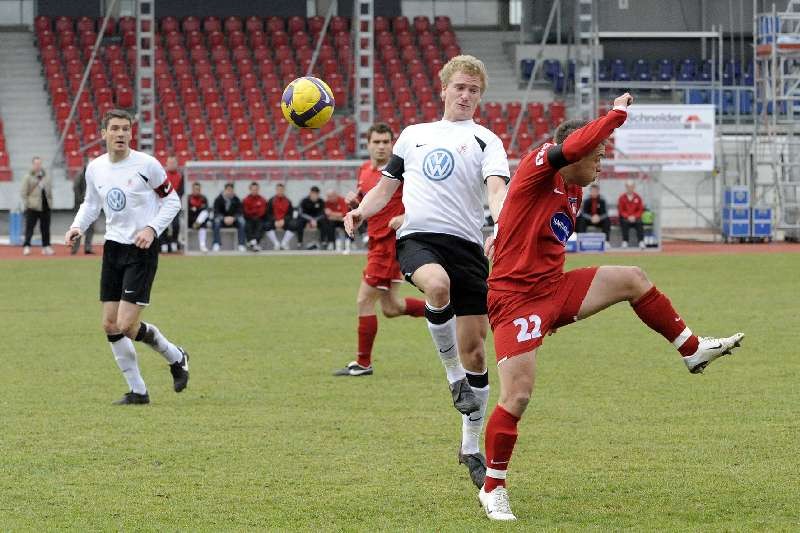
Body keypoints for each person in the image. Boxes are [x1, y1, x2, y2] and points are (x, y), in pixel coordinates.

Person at [479, 93, 744, 521]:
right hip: (515, 299)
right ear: (576, 153)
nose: (602, 163)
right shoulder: (539, 166)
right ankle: (493, 487)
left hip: (553, 289)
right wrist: (616, 115)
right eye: (597, 155)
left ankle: (691, 349)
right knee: (518, 396)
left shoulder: (574, 188)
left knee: (632, 278)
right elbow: (567, 153)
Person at [344, 55, 510, 489]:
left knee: (477, 352)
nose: (466, 95)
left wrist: (501, 226)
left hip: (469, 247)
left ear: (480, 95)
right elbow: (386, 187)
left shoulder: (487, 140)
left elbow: (496, 190)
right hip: (419, 238)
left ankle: (470, 444)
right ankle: (451, 375)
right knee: (436, 285)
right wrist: (362, 211)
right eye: (459, 87)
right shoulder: (413, 136)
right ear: (443, 89)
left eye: (474, 89)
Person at [64, 108, 189, 405]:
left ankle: (175, 356)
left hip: (141, 250)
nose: (121, 134)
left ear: (131, 133)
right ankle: (139, 391)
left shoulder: (148, 165)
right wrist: (77, 226)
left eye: (125, 129)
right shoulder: (95, 168)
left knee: (125, 325)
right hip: (114, 249)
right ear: (103, 134)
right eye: (115, 129)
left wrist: (151, 228)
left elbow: (172, 201)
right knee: (111, 325)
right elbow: (91, 203)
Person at [333, 122, 427, 377]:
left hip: (388, 246)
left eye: (386, 142)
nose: (382, 146)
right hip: (375, 243)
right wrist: (356, 203)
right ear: (368, 145)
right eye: (377, 142)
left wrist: (405, 217)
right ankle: (442, 310)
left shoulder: (401, 173)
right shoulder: (365, 170)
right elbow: (370, 202)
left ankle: (363, 363)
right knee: (391, 307)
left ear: (392, 144)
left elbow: (423, 201)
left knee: (364, 300)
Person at [21, 156, 54, 256]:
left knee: (45, 228)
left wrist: (50, 202)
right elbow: (23, 192)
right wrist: (28, 204)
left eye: (39, 163)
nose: (38, 166)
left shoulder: (46, 176)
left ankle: (46, 246)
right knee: (29, 227)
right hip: (33, 206)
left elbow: (49, 191)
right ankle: (27, 246)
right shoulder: (28, 176)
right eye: (36, 164)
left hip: (45, 206)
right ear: (33, 165)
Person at [211, 182, 246, 252]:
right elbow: (216, 212)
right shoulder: (218, 199)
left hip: (233, 220)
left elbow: (240, 212)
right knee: (216, 222)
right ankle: (216, 243)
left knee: (242, 221)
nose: (230, 192)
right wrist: (224, 218)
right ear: (225, 190)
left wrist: (233, 218)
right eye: (228, 190)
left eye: (231, 190)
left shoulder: (236, 199)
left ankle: (241, 244)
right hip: (222, 220)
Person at [71, 162, 95, 255]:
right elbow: (76, 189)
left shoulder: (93, 176)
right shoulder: (80, 175)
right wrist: (81, 201)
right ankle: (74, 248)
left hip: (91, 206)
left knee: (91, 228)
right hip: (81, 205)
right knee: (78, 227)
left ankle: (87, 247)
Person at [161, 156, 184, 253]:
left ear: (177, 164)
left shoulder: (181, 176)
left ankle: (174, 241)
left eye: (173, 163)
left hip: (175, 204)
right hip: (162, 204)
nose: (171, 165)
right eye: (169, 163)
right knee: (162, 224)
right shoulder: (162, 175)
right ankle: (163, 243)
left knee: (176, 224)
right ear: (166, 164)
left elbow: (181, 191)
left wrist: (174, 200)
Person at [296, 186, 330, 250]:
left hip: (317, 219)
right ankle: (299, 242)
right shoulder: (304, 201)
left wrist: (315, 220)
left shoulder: (321, 201)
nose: (314, 195)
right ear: (310, 193)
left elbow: (323, 214)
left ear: (318, 194)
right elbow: (301, 213)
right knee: (299, 223)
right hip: (306, 219)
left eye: (316, 194)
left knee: (325, 222)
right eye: (313, 193)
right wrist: (311, 220)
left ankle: (323, 242)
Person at [264, 183, 296, 250]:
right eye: (278, 189)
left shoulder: (288, 201)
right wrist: (275, 220)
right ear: (276, 190)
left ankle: (284, 243)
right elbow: (268, 213)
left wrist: (284, 220)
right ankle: (276, 243)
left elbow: (290, 214)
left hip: (284, 221)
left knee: (294, 225)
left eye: (281, 190)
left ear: (284, 190)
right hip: (274, 221)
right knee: (266, 225)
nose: (280, 191)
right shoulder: (271, 200)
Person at [618, 179, 646, 249]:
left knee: (640, 222)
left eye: (631, 186)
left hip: (636, 219)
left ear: (634, 187)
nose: (630, 188)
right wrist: (628, 217)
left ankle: (641, 242)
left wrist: (635, 217)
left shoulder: (638, 197)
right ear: (626, 187)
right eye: (628, 186)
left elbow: (640, 210)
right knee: (624, 222)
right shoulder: (622, 198)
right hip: (625, 218)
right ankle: (625, 241)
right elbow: (621, 210)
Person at [243, 181, 268, 251]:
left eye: (256, 190)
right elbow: (246, 211)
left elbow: (262, 211)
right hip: (249, 218)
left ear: (258, 190)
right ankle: (255, 244)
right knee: (247, 225)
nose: (254, 191)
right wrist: (255, 212)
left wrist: (253, 212)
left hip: (259, 218)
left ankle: (252, 243)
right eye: (253, 190)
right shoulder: (246, 200)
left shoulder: (262, 199)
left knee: (261, 225)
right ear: (250, 190)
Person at [187, 182, 212, 252]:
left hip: (200, 222)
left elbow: (206, 210)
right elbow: (187, 211)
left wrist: (196, 209)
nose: (196, 190)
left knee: (205, 214)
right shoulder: (188, 198)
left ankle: (202, 245)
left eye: (198, 189)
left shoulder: (204, 198)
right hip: (190, 221)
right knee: (202, 220)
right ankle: (197, 223)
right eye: (195, 189)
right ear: (192, 189)